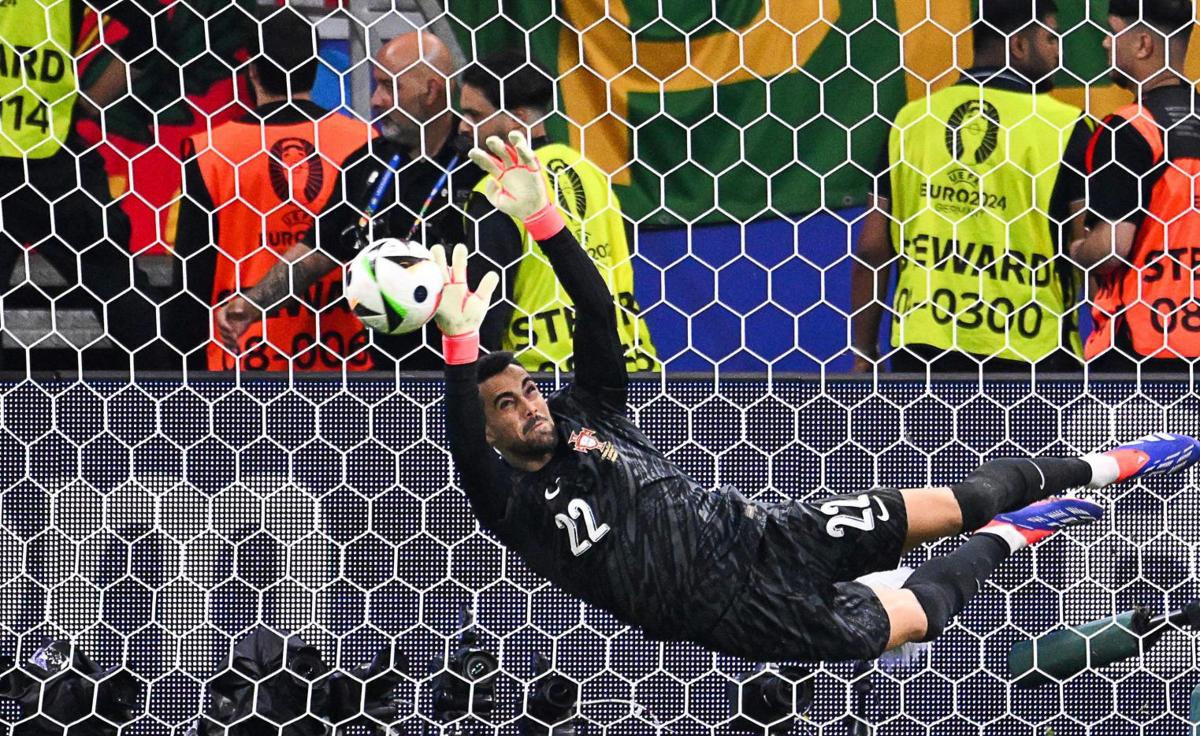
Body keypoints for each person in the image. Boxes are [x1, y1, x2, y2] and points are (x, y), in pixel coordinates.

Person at [433, 131, 1200, 663]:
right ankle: (1014, 536)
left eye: (529, 388)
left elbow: (596, 317)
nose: (530, 405)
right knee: (912, 618)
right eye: (507, 405)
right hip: (727, 612)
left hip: (763, 531)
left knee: (945, 504)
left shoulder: (587, 415)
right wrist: (461, 352)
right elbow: (465, 444)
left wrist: (544, 220)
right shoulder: (510, 504)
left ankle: (1111, 462)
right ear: (492, 432)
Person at [214, 30, 480, 371]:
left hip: (467, 364)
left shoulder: (477, 164)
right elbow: (319, 249)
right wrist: (254, 303)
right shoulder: (366, 162)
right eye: (376, 85)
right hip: (385, 369)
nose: (376, 100)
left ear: (430, 91)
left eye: (389, 86)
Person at [851, 0, 1090, 375]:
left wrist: (865, 350)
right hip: (1031, 351)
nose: (1058, 53)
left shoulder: (912, 121)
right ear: (1019, 46)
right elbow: (1087, 251)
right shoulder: (1065, 126)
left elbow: (872, 249)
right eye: (1050, 39)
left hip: (924, 348)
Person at [172, 8, 376, 372]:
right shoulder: (363, 142)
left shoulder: (211, 151)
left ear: (251, 71)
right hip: (347, 358)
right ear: (316, 68)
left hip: (243, 362)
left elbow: (192, 280)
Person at [458, 51, 657, 372]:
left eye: (475, 115)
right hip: (631, 366)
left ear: (518, 119)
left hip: (540, 382)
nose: (464, 127)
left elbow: (485, 310)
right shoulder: (595, 175)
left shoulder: (497, 191)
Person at [0, 0, 163, 372]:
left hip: (49, 157)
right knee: (122, 293)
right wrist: (88, 104)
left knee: (123, 295)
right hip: (54, 156)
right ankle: (167, 407)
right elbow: (149, 26)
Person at [1071, 0, 1199, 372]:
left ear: (1143, 44)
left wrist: (1079, 249)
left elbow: (1112, 247)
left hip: (1139, 351)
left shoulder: (1127, 129)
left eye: (1113, 33)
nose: (1105, 44)